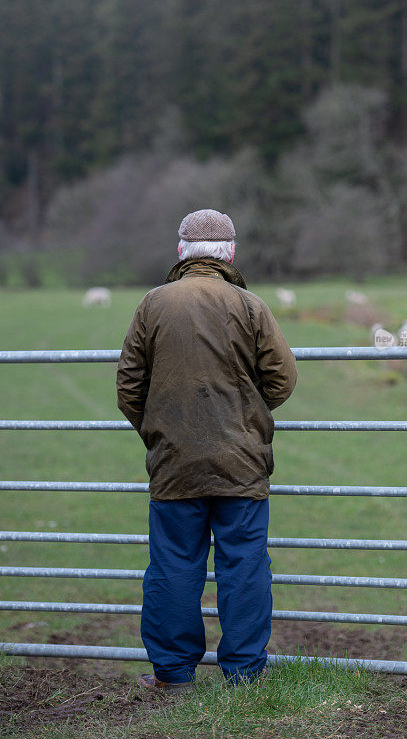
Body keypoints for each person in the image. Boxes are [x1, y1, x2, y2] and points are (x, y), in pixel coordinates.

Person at [116, 208, 297, 690]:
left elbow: (129, 387)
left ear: (181, 250)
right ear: (230, 252)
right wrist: (246, 416)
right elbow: (282, 378)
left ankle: (173, 674)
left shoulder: (153, 304)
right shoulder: (250, 306)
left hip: (174, 464)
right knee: (244, 565)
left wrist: (160, 430)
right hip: (241, 463)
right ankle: (243, 674)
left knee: (174, 563)